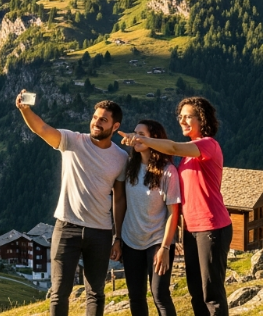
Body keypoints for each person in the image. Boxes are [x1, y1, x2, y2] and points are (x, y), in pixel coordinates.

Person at [16, 90, 128, 316]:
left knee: (96, 292)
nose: (96, 123)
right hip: (67, 227)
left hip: (101, 232)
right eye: (95, 117)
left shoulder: (121, 158)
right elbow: (42, 129)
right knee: (59, 291)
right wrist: (25, 110)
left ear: (115, 127)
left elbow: (119, 198)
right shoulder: (72, 140)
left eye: (103, 120)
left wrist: (118, 237)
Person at [120, 97, 231, 316]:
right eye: (180, 117)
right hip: (191, 230)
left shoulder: (207, 144)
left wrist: (140, 139)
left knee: (212, 293)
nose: (183, 120)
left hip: (212, 226)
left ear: (203, 118)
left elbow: (170, 146)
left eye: (188, 116)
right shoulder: (187, 157)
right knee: (196, 292)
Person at [117, 120, 180, 316]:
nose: (136, 137)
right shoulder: (129, 166)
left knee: (160, 294)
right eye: (135, 133)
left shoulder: (168, 172)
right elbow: (120, 202)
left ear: (155, 139)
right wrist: (117, 238)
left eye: (141, 134)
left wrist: (165, 247)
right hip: (130, 240)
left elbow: (173, 213)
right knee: (135, 296)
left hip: (156, 241)